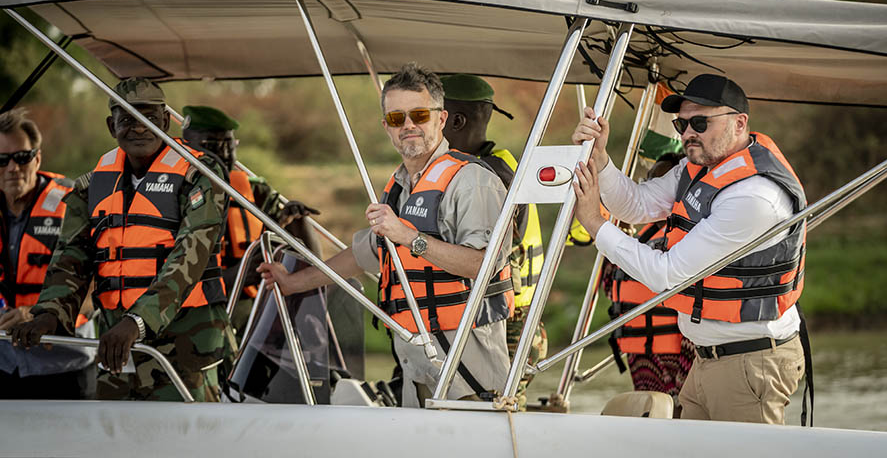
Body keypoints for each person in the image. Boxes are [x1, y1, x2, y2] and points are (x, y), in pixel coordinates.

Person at [259, 63, 514, 407]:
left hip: (467, 371)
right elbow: (363, 254)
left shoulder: (474, 181)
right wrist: (293, 283)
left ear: (441, 119)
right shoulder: (398, 188)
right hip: (417, 366)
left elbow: (483, 266)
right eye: (397, 118)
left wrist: (409, 237)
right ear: (387, 128)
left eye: (419, 115)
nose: (408, 126)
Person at [572, 73, 806, 424]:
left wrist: (594, 224)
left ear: (740, 123)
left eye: (700, 122)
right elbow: (636, 204)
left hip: (749, 361)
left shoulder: (752, 196)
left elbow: (667, 274)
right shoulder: (700, 166)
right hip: (708, 358)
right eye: (682, 123)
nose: (686, 134)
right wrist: (601, 158)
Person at [9, 78, 235, 401]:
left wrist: (138, 321)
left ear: (165, 120)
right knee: (117, 446)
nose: (139, 128)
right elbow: (70, 257)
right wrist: (50, 313)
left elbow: (190, 255)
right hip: (115, 353)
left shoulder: (201, 173)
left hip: (185, 354)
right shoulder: (91, 186)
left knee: (186, 448)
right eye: (127, 118)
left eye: (148, 118)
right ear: (111, 125)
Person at [440, 73, 547, 409]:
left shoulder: (489, 174)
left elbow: (484, 253)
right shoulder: (497, 163)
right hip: (512, 313)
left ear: (454, 120)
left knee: (499, 417)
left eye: (432, 117)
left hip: (507, 319)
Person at [180, 105, 322, 333]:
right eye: (213, 147)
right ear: (186, 148)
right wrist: (233, 277)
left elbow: (308, 260)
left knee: (307, 332)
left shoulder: (257, 192)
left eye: (230, 145)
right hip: (196, 311)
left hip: (256, 307)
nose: (225, 155)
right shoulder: (168, 195)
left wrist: (293, 222)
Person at [0, 108, 96, 399]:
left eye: (22, 157)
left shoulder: (75, 205)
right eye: (1, 160)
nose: (13, 168)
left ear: (37, 158)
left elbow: (102, 288)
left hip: (65, 367)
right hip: (3, 367)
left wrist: (39, 315)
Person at [602, 152, 694, 415]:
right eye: (649, 180)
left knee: (681, 414)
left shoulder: (691, 235)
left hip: (679, 352)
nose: (653, 188)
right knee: (648, 413)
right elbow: (611, 288)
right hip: (641, 353)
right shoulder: (632, 238)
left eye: (660, 182)